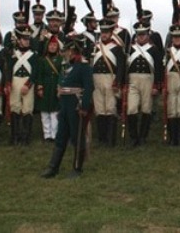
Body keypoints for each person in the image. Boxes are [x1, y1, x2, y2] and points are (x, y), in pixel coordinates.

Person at [40, 36, 93, 178]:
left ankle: (77, 168)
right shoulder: (67, 66)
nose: (64, 53)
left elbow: (88, 88)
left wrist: (84, 106)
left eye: (67, 50)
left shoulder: (84, 66)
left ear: (72, 51)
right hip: (64, 104)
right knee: (60, 136)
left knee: (77, 137)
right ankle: (53, 167)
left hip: (76, 104)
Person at [126, 22, 163, 146]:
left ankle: (143, 136)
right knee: (131, 108)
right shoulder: (130, 49)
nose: (141, 37)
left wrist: (157, 85)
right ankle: (133, 137)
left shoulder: (154, 49)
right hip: (132, 80)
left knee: (146, 108)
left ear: (148, 35)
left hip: (148, 80)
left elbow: (158, 68)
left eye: (143, 34)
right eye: (139, 35)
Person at [91, 19, 125, 147]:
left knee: (110, 108)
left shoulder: (117, 49)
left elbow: (121, 67)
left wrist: (118, 82)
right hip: (96, 79)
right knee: (100, 109)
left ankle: (111, 140)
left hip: (110, 79)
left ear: (111, 33)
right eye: (102, 32)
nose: (104, 34)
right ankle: (102, 138)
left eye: (106, 32)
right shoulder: (95, 47)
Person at [7, 25, 39, 145]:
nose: (27, 41)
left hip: (27, 81)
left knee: (27, 108)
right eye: (24, 39)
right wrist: (8, 83)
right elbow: (9, 69)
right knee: (14, 107)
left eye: (28, 39)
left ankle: (26, 137)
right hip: (15, 80)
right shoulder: (13, 54)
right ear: (19, 40)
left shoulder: (33, 55)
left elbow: (35, 72)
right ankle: (15, 136)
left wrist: (28, 85)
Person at [36, 35, 62, 143]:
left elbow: (61, 74)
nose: (52, 47)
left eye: (54, 45)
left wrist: (59, 86)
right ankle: (47, 135)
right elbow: (40, 74)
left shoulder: (61, 59)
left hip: (55, 86)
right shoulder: (42, 60)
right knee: (44, 112)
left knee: (54, 112)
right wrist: (40, 87)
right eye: (50, 45)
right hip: (46, 87)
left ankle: (54, 135)